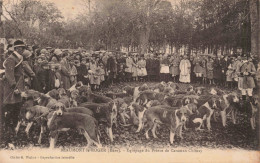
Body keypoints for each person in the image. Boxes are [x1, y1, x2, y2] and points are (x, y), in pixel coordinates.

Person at [2, 40, 26, 137]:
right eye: (20, 48)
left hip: (18, 87)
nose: (22, 50)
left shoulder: (18, 58)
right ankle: (8, 128)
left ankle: (14, 127)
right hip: (12, 88)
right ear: (16, 49)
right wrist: (13, 86)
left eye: (23, 48)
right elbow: (9, 74)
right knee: (10, 108)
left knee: (17, 107)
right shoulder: (11, 59)